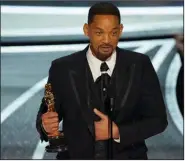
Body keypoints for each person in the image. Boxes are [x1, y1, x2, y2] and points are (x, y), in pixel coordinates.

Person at [36, 2, 168, 160]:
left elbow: (158, 120)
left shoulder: (139, 65)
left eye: (113, 33)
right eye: (99, 33)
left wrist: (117, 131)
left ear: (120, 30)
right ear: (87, 30)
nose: (107, 40)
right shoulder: (62, 68)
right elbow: (46, 114)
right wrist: (45, 126)